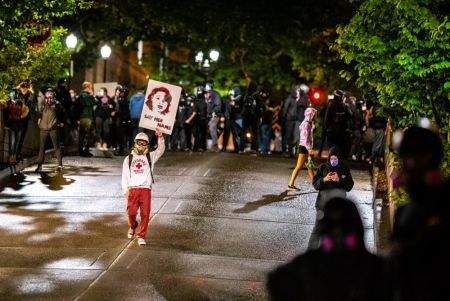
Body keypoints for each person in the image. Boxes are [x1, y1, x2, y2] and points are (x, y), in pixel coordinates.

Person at [267, 197, 387, 301]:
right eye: (333, 227)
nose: (338, 234)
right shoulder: (376, 266)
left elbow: (277, 281)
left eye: (344, 227)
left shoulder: (308, 263)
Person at [387, 121, 450, 301]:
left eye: (413, 159)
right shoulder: (405, 211)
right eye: (405, 159)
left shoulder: (443, 205)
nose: (407, 167)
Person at [121, 130, 165, 246]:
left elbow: (161, 150)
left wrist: (160, 136)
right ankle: (132, 226)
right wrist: (125, 190)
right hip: (132, 189)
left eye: (143, 143)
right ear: (135, 143)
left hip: (145, 189)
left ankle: (141, 235)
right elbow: (124, 176)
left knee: (145, 214)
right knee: (131, 213)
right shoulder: (128, 159)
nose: (141, 145)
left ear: (147, 145)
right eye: (139, 143)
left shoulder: (150, 156)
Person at [34, 88, 65, 172]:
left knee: (57, 147)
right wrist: (38, 118)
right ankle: (39, 165)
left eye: (51, 93)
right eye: (48, 93)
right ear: (45, 95)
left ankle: (60, 165)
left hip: (54, 128)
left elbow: (62, 113)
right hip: (43, 128)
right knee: (42, 147)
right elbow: (38, 113)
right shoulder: (42, 104)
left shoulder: (57, 104)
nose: (49, 95)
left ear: (54, 95)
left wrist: (62, 122)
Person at [288, 107, 317, 190]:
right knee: (299, 166)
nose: (315, 116)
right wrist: (309, 149)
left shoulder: (309, 123)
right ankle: (290, 184)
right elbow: (305, 139)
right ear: (310, 115)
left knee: (310, 166)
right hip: (304, 148)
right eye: (314, 114)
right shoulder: (306, 124)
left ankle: (316, 185)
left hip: (306, 148)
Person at [4, 88, 29, 164]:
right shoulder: (8, 103)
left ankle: (14, 157)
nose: (14, 95)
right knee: (12, 142)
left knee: (16, 143)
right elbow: (6, 114)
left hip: (19, 125)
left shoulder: (20, 103)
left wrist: (21, 116)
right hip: (12, 125)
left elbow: (25, 111)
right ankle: (11, 158)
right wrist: (6, 124)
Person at [78, 81, 96, 157]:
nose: (91, 88)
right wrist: (91, 96)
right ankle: (82, 151)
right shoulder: (83, 95)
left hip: (88, 116)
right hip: (85, 116)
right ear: (87, 87)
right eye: (90, 87)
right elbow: (90, 103)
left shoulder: (86, 95)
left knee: (89, 134)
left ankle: (85, 150)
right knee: (86, 134)